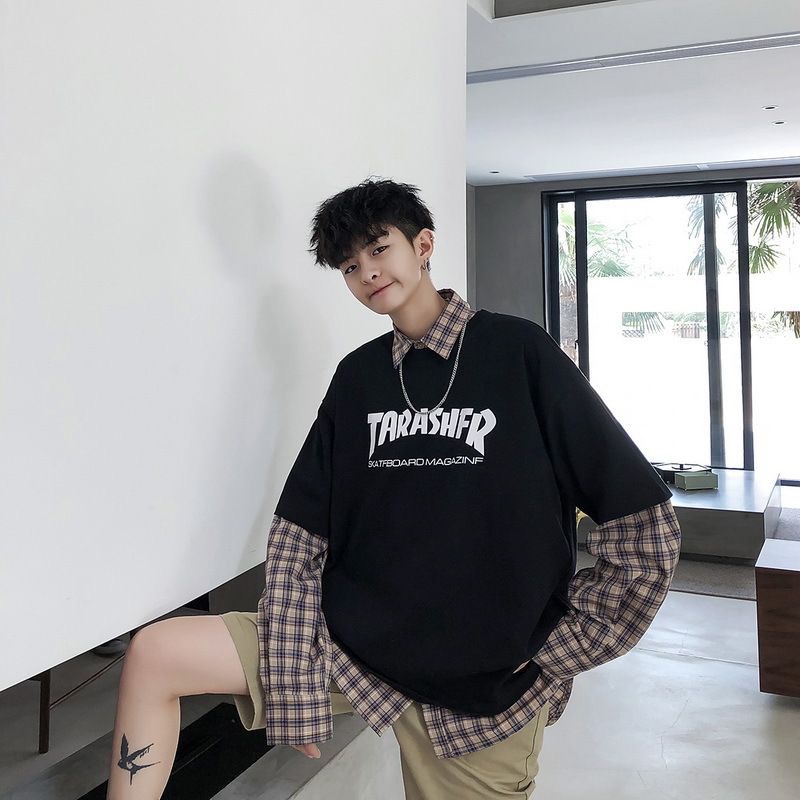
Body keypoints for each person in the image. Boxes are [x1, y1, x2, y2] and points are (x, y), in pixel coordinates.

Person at [105, 177, 681, 799]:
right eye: (350, 266)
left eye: (379, 249)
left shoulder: (518, 352)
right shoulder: (358, 378)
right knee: (156, 655)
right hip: (352, 650)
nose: (368, 273)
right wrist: (294, 681)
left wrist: (555, 648)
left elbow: (643, 524)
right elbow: (300, 534)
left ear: (423, 245)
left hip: (482, 696)